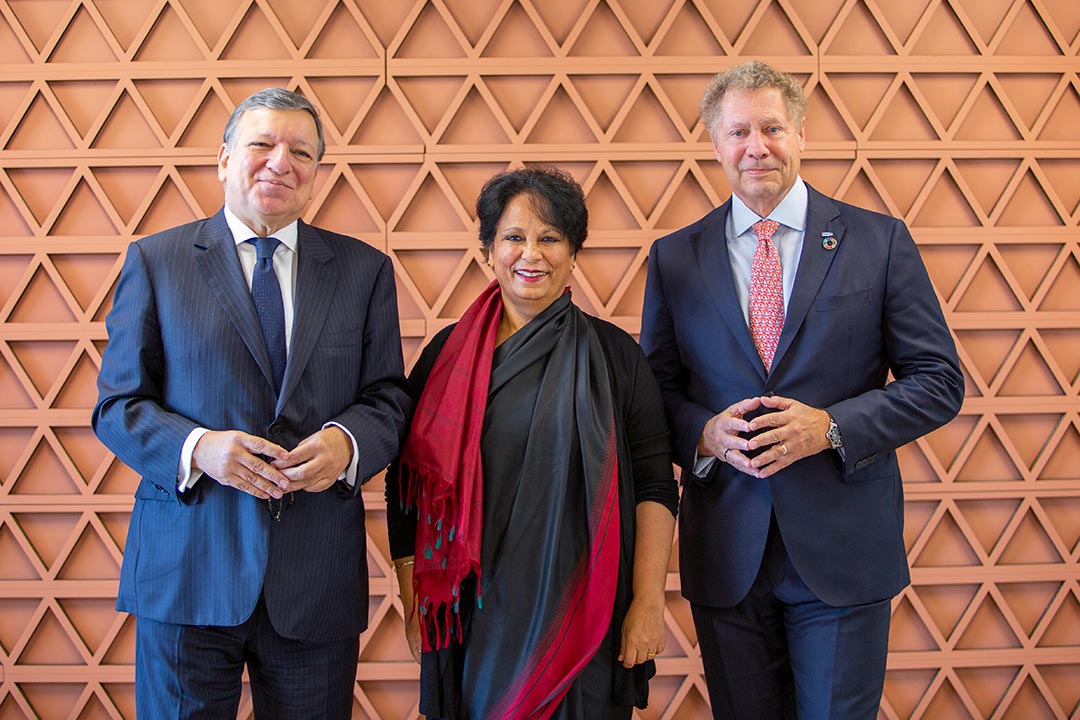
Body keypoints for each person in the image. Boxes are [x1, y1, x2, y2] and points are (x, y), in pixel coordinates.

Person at [640, 61, 964, 719]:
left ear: (801, 135)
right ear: (714, 143)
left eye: (771, 128)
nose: (755, 147)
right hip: (728, 549)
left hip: (843, 550)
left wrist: (832, 427)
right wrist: (702, 432)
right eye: (738, 132)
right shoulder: (675, 258)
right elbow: (654, 395)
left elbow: (940, 382)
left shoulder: (877, 242)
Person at [93, 88, 410, 718]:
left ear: (317, 173)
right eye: (262, 144)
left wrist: (347, 443)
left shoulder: (364, 269)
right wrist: (198, 448)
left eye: (300, 151)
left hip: (314, 576)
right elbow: (118, 406)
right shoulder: (156, 262)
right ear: (223, 159)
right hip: (188, 569)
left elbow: (388, 399)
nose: (280, 162)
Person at [384, 167, 678, 719]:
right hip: (470, 610)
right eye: (514, 238)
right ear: (488, 250)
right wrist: (411, 593)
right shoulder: (446, 358)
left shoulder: (616, 358)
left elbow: (657, 483)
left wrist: (647, 599)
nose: (531, 254)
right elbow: (406, 485)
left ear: (573, 253)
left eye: (550, 238)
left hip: (585, 606)